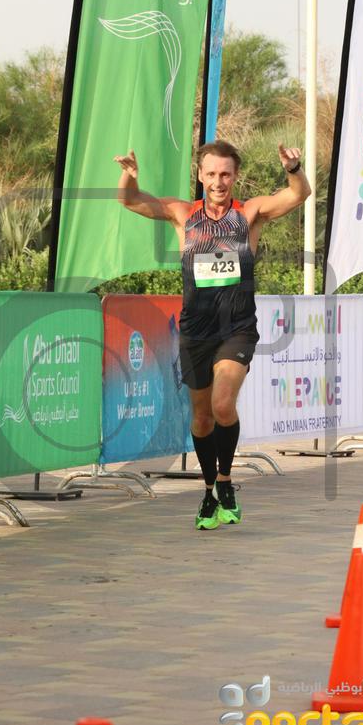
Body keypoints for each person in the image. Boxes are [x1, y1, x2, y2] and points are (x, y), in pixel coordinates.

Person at [114, 141, 311, 530]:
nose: (218, 182)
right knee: (202, 419)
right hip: (195, 333)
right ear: (201, 176)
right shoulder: (182, 214)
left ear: (235, 176)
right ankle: (208, 492)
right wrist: (129, 177)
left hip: (237, 329)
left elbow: (298, 194)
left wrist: (293, 169)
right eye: (211, 174)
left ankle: (225, 481)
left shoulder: (249, 213)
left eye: (225, 174)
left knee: (223, 405)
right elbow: (130, 200)